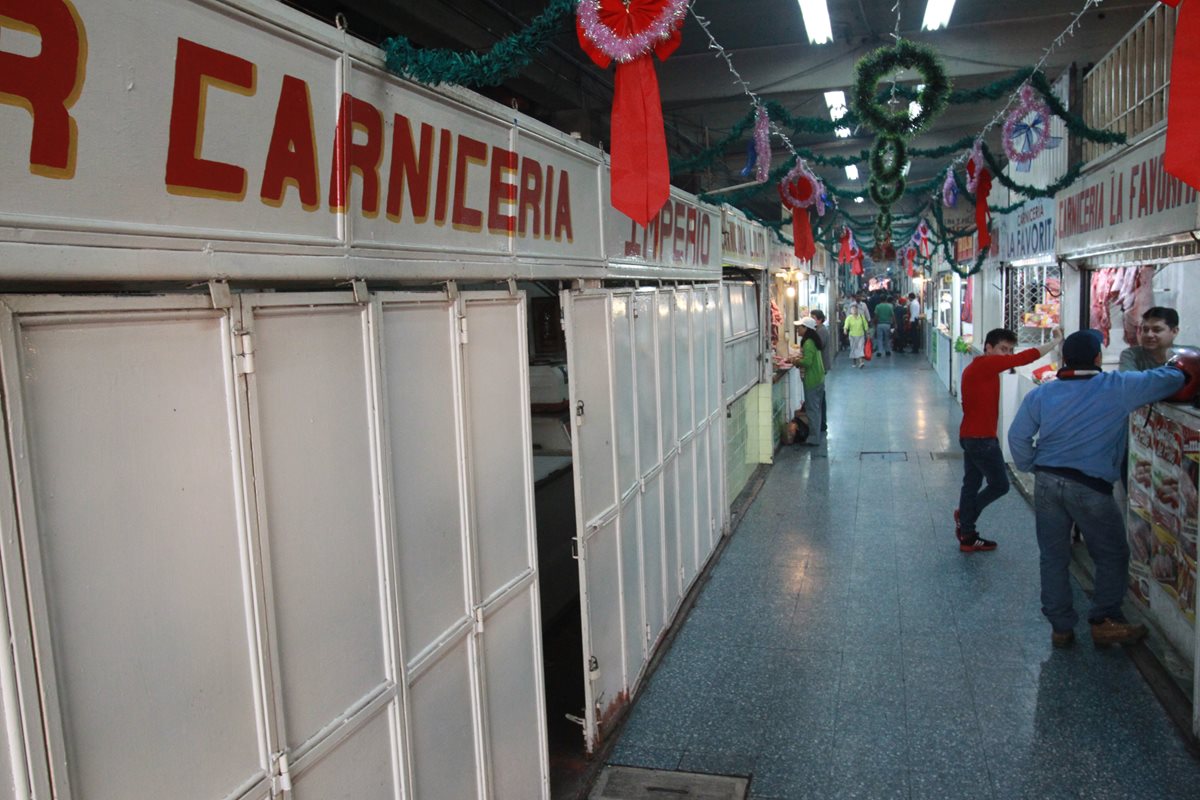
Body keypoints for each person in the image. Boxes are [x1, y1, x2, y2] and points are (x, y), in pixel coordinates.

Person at [1008, 329, 1196, 647]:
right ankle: (1105, 620)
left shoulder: (1042, 394)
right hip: (1089, 488)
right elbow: (1173, 379)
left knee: (1053, 557)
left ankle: (1061, 627)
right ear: (1097, 358)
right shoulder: (1117, 387)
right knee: (1111, 554)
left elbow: (1017, 438)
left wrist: (1031, 465)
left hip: (1047, 483)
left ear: (1065, 359)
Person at [956, 327, 1063, 551]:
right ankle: (966, 518)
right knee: (1000, 485)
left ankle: (967, 533)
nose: (1007, 355)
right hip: (981, 439)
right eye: (1003, 349)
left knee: (972, 483)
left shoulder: (978, 369)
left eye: (1009, 350)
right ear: (988, 348)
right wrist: (1055, 342)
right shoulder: (986, 365)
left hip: (971, 436)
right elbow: (1025, 358)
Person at [1119, 306, 1181, 371]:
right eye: (1145, 330)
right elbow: (1130, 379)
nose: (1149, 335)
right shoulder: (1131, 355)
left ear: (1174, 331)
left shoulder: (1187, 355)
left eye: (1157, 330)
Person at [796, 317, 825, 446]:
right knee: (816, 409)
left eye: (800, 327)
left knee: (812, 409)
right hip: (819, 378)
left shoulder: (808, 343)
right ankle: (817, 434)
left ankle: (813, 438)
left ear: (806, 328)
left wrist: (795, 361)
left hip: (812, 380)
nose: (798, 329)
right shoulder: (813, 341)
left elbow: (807, 362)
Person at [843, 303, 869, 368]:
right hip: (852, 336)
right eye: (852, 309)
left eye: (855, 309)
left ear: (857, 310)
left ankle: (861, 362)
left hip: (861, 335)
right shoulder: (849, 318)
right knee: (853, 348)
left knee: (860, 348)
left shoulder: (861, 317)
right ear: (850, 311)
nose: (854, 310)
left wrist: (868, 333)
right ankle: (854, 362)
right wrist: (845, 330)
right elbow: (846, 325)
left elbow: (865, 325)